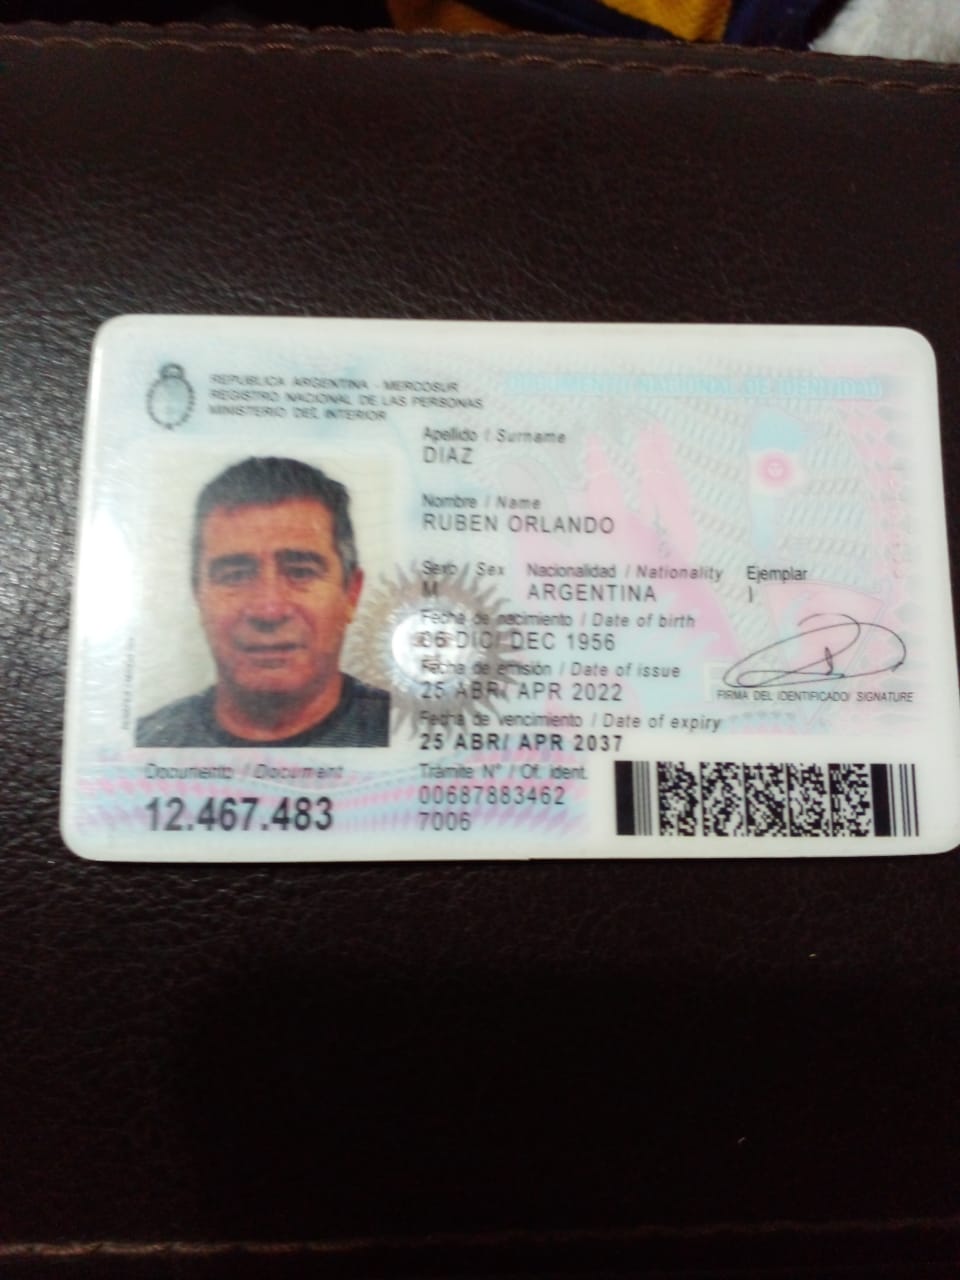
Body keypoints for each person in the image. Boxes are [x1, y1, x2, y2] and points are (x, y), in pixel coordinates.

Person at [137, 456, 390, 747]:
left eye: (300, 573)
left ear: (351, 594)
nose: (269, 610)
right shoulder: (148, 743)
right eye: (235, 576)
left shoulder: (405, 733)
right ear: (198, 595)